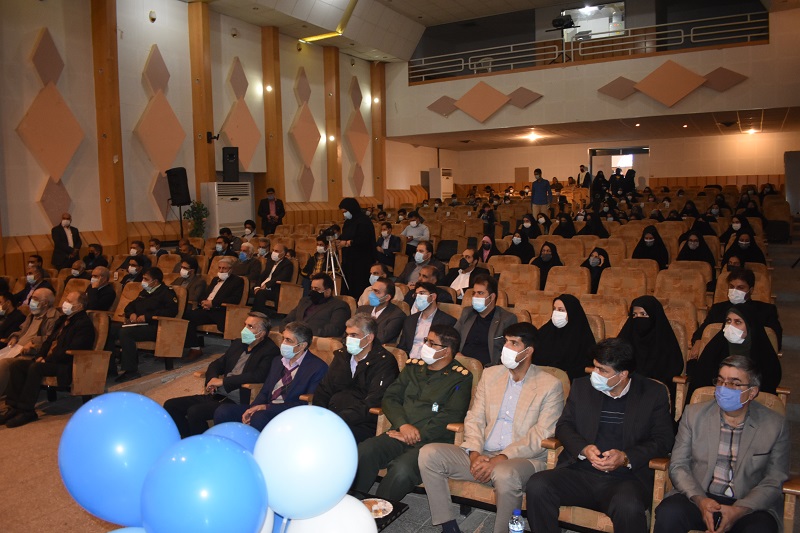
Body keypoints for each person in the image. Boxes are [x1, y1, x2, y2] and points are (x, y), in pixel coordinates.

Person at [419, 322, 565, 533]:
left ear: (528, 351)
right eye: (505, 341)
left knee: (504, 473)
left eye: (514, 343)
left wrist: (501, 458)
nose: (506, 347)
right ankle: (448, 525)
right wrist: (474, 454)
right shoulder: (490, 375)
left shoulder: (550, 385)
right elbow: (474, 417)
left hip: (522, 460)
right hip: (483, 453)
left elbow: (540, 435)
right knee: (429, 454)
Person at [525, 338, 675, 533]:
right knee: (537, 485)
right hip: (581, 471)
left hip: (625, 479)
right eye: (595, 367)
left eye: (602, 370)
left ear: (623, 374)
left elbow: (663, 440)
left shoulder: (652, 393)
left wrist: (625, 457)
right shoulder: (582, 387)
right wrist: (583, 449)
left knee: (628, 507)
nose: (595, 374)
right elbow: (564, 426)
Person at [654, 356, 789, 533]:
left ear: (752, 392)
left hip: (747, 504)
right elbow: (679, 465)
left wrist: (739, 509)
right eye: (720, 381)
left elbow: (774, 478)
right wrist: (701, 501)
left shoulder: (774, 425)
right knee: (669, 513)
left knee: (760, 529)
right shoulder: (694, 415)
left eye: (734, 383)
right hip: (700, 495)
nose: (724, 388)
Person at [352, 325, 473, 501]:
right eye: (426, 341)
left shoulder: (460, 377)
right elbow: (390, 398)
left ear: (446, 351)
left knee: (402, 470)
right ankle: (354, 501)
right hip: (400, 431)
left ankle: (381, 509)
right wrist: (403, 425)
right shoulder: (413, 368)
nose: (426, 346)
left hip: (431, 442)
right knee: (365, 451)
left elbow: (451, 415)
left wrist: (418, 434)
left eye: (432, 343)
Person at [163, 312, 278, 437]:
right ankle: (187, 438)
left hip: (236, 400)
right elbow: (217, 364)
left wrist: (223, 381)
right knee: (171, 405)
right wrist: (212, 379)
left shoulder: (270, 350)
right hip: (217, 394)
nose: (245, 329)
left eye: (250, 326)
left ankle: (203, 442)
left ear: (261, 333)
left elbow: (258, 375)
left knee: (195, 412)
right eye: (245, 325)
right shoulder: (238, 344)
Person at [0, 292, 95, 428]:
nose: (65, 303)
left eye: (69, 301)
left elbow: (73, 349)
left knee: (35, 368)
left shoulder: (84, 324)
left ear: (79, 306)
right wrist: (41, 355)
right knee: (17, 365)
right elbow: (49, 341)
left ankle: (27, 411)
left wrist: (48, 359)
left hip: (65, 364)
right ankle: (13, 407)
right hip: (50, 360)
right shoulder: (63, 320)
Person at [213, 321, 327, 431]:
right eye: (283, 338)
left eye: (288, 340)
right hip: (266, 409)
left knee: (259, 417)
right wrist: (253, 408)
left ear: (302, 346)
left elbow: (306, 403)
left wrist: (266, 408)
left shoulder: (317, 367)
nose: (283, 343)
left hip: (289, 414)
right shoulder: (278, 361)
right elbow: (265, 390)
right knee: (223, 411)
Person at [313, 314, 401, 443]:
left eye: (354, 335)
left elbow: (373, 401)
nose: (349, 339)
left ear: (369, 338)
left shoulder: (385, 362)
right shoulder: (342, 356)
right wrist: (319, 415)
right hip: (333, 417)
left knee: (323, 437)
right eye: (348, 335)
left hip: (362, 423)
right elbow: (324, 389)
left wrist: (339, 419)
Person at [687, 306, 781, 398]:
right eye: (728, 321)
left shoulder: (764, 354)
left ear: (750, 326)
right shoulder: (715, 348)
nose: (731, 326)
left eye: (737, 322)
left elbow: (768, 387)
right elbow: (700, 382)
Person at [106, 268, 179, 382]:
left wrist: (148, 316)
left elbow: (171, 311)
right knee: (109, 329)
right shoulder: (145, 292)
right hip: (138, 324)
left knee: (125, 333)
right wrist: (131, 313)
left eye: (146, 279)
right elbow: (130, 306)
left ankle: (131, 371)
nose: (143, 281)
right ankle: (110, 368)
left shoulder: (166, 292)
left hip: (157, 327)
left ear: (155, 281)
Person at [691, 269, 781, 356]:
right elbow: (700, 333)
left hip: (752, 356)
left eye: (740, 288)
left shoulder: (766, 310)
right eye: (731, 287)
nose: (735, 291)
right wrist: (698, 341)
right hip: (719, 355)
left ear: (751, 290)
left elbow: (775, 340)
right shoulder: (717, 309)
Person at [618, 296, 684, 398]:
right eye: (634, 315)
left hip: (654, 393)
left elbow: (673, 368)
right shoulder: (626, 337)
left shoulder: (664, 341)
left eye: (643, 314)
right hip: (625, 390)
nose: (638, 318)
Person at [184, 258, 245, 359]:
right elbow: (205, 294)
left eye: (224, 268)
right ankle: (195, 348)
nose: (221, 270)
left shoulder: (237, 281)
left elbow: (234, 299)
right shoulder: (215, 279)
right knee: (186, 316)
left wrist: (213, 303)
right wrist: (203, 302)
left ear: (231, 269)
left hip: (220, 311)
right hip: (206, 309)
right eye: (219, 268)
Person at [454, 274, 517, 367]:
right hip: (460, 364)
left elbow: (509, 352)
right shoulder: (468, 312)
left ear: (492, 297)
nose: (475, 296)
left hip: (488, 369)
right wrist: (456, 354)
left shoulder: (506, 319)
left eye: (480, 293)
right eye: (474, 293)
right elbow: (452, 337)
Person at [531, 294, 596, 381]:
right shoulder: (546, 331)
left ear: (572, 312)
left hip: (567, 381)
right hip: (538, 378)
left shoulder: (582, 337)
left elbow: (586, 366)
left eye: (561, 310)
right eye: (554, 309)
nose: (556, 313)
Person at [398, 282, 457, 359]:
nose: (418, 297)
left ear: (433, 297)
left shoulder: (447, 321)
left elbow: (446, 350)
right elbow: (402, 347)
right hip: (409, 361)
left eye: (421, 293)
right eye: (416, 295)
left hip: (430, 361)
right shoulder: (410, 320)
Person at [280, 273, 351, 338]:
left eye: (317, 289)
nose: (313, 291)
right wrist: (287, 331)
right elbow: (287, 320)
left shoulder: (339, 305)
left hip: (315, 339)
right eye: (312, 288)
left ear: (328, 291)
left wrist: (303, 333)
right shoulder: (304, 301)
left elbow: (335, 329)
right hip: (293, 337)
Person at [338, 198, 376, 298]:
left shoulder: (364, 221)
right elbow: (344, 236)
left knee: (359, 286)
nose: (344, 214)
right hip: (349, 260)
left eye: (345, 211)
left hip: (362, 260)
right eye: (343, 212)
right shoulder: (348, 222)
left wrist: (347, 243)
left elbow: (364, 239)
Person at [356, 277, 405, 344]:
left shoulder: (397, 315)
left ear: (387, 297)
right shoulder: (362, 309)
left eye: (377, 292)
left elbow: (381, 338)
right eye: (372, 290)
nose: (371, 295)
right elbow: (349, 330)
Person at [251, 242, 293, 313]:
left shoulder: (287, 264)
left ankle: (256, 313)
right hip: (262, 287)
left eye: (276, 251)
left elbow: (281, 277)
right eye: (273, 250)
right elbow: (263, 275)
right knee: (246, 290)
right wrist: (257, 287)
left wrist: (267, 285)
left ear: (283, 254)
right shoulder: (270, 262)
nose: (273, 253)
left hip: (274, 289)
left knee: (260, 293)